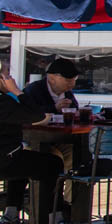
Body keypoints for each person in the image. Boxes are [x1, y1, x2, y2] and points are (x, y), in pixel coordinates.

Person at [0, 72, 86, 224]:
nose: (11, 78)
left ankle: (10, 216)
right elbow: (37, 115)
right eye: (7, 76)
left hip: (10, 156)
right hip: (4, 160)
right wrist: (17, 91)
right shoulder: (4, 102)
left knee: (26, 159)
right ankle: (56, 222)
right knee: (51, 164)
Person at [22, 58, 81, 203]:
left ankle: (71, 205)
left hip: (60, 139)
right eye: (67, 79)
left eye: (73, 79)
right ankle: (49, 204)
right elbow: (28, 114)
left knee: (78, 159)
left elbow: (75, 111)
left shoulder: (67, 93)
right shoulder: (34, 90)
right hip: (34, 141)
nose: (71, 83)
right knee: (54, 160)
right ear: (52, 78)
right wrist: (54, 108)